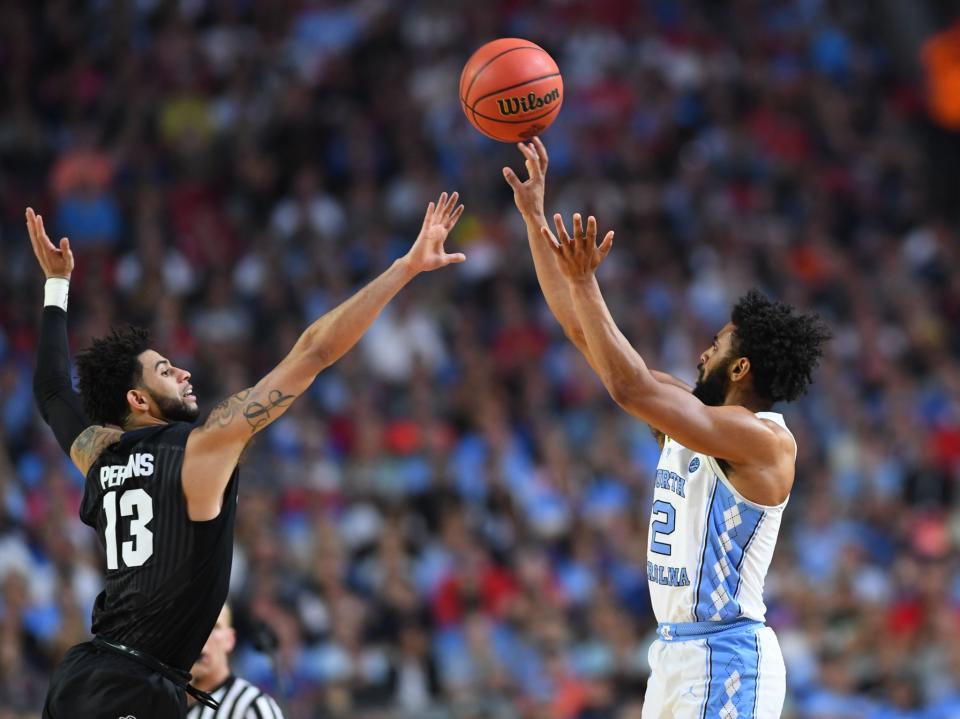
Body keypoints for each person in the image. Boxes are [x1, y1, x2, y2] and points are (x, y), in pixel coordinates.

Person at [27, 192, 466, 719]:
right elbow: (314, 352)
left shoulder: (98, 455)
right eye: (166, 370)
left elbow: (53, 392)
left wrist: (56, 288)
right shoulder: (201, 449)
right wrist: (405, 267)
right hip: (134, 685)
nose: (184, 372)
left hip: (83, 679)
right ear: (137, 400)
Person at [503, 139, 830, 718]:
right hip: (675, 655)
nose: (704, 350)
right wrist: (533, 218)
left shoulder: (765, 441)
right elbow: (584, 335)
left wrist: (586, 281)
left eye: (717, 343)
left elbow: (627, 387)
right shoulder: (688, 414)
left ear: (741, 365)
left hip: (729, 655)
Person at [186, 605, 283, 719]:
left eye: (214, 627)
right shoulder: (165, 702)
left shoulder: (252, 706)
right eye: (193, 626)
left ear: (230, 639)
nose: (203, 637)